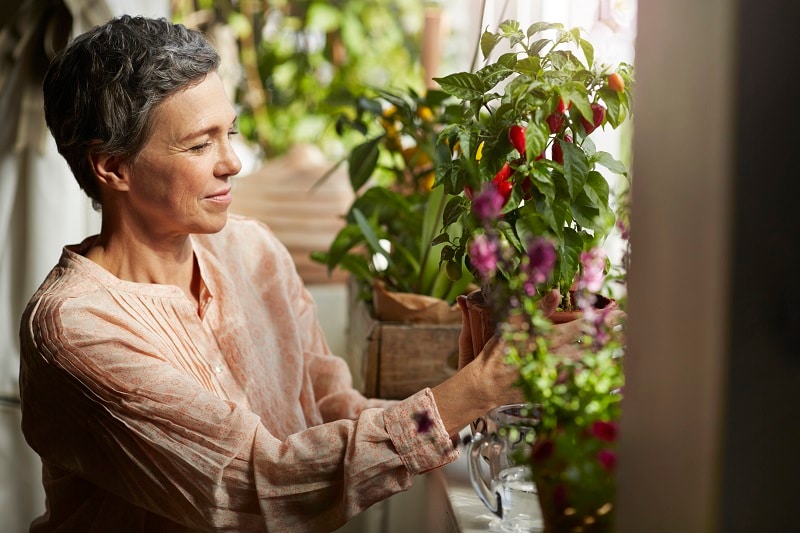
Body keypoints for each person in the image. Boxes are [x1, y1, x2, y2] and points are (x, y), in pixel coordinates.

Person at [18, 15, 588, 532]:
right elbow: (251, 485)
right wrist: (470, 391)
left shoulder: (253, 250)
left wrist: (467, 403)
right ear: (111, 166)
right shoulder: (75, 328)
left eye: (230, 132)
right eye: (199, 144)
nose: (232, 162)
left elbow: (331, 406)